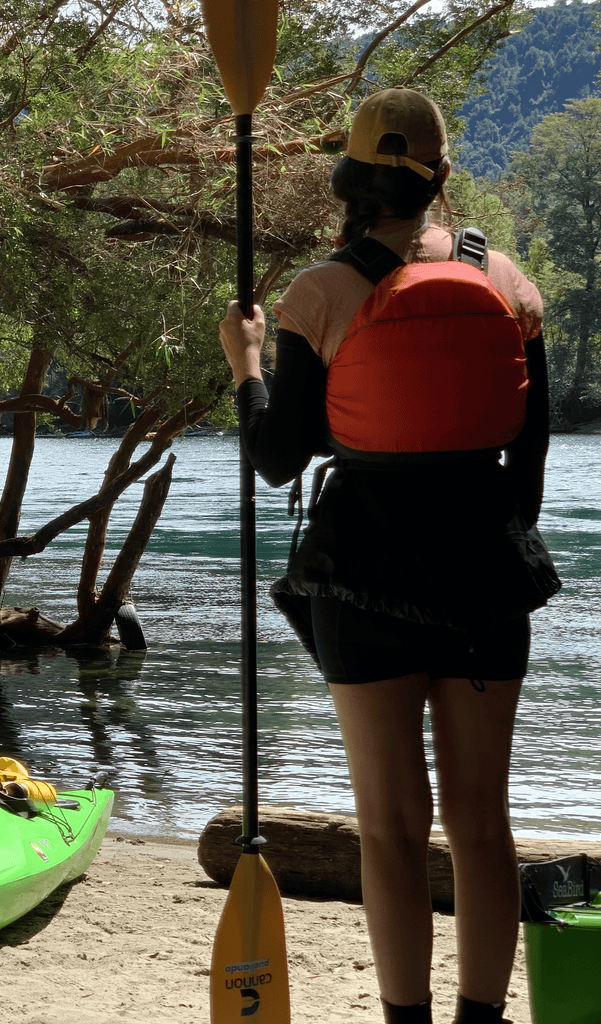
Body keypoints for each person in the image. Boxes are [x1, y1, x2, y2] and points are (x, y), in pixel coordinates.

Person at [218, 89, 560, 1024]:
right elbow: (529, 459)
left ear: (351, 176)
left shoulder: (318, 295)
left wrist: (248, 363)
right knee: (483, 828)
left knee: (391, 828)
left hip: (360, 573)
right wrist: (490, 550)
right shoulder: (509, 284)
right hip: (487, 569)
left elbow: (279, 460)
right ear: (441, 177)